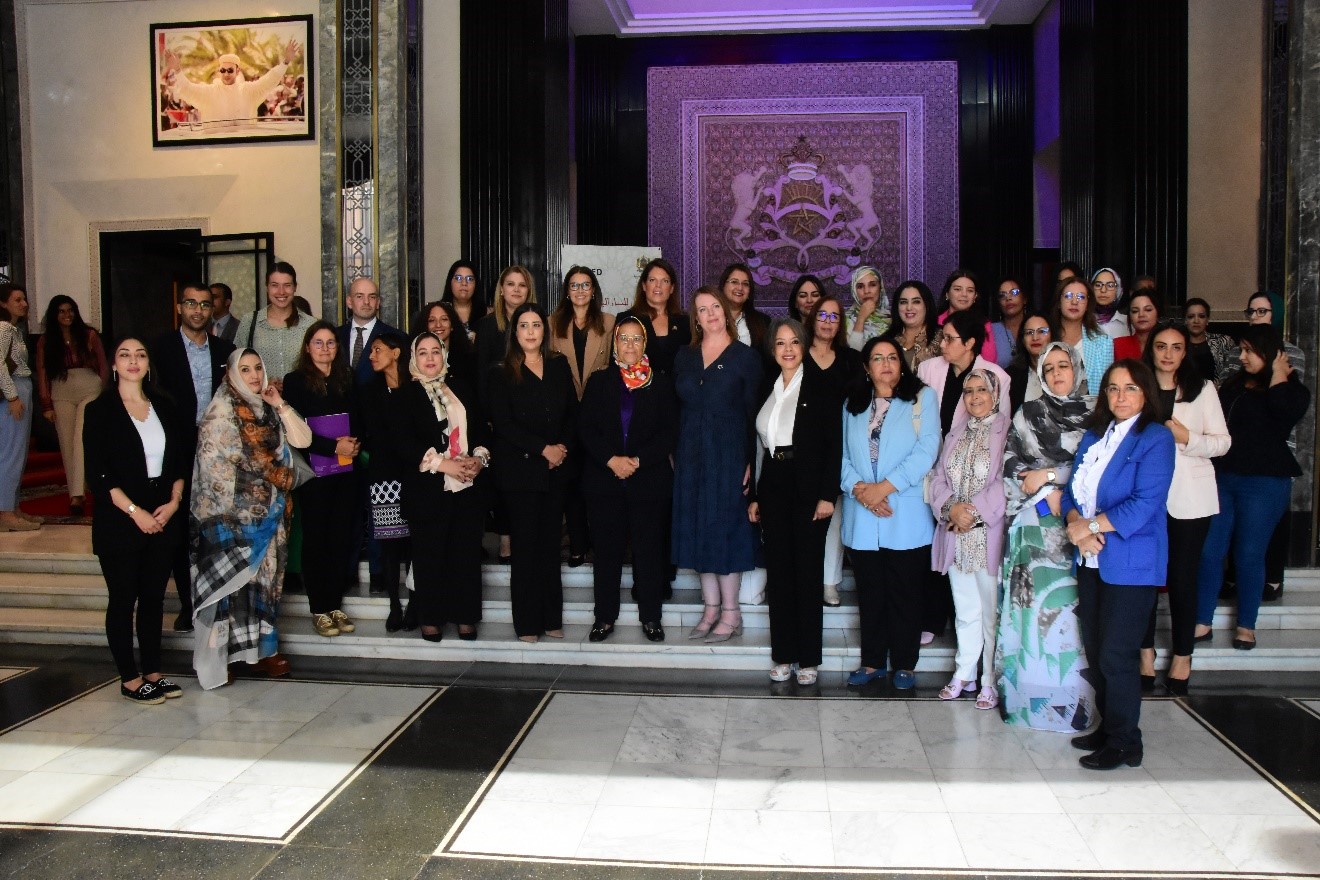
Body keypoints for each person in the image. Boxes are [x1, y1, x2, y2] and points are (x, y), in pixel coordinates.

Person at [1063, 359, 1175, 770]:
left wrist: (1092, 525)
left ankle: (1127, 742)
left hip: (1132, 562)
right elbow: (1074, 491)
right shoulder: (1096, 436)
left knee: (1117, 655)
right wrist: (1078, 525)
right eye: (1113, 388)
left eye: (1129, 388)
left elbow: (1146, 503)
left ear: (1146, 393)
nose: (1120, 397)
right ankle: (1110, 728)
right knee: (1096, 649)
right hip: (1092, 560)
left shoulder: (1155, 438)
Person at [192, 349, 311, 688]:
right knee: (230, 589)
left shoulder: (268, 410)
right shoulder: (220, 412)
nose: (254, 376)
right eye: (245, 370)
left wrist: (279, 404)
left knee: (266, 585)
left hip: (270, 517)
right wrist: (263, 485)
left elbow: (304, 439)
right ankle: (224, 657)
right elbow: (222, 464)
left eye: (258, 367)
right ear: (231, 374)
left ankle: (261, 653)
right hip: (230, 519)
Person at [998, 341, 1097, 731]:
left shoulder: (1096, 414)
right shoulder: (1026, 414)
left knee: (1068, 620)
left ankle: (1076, 706)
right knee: (1031, 619)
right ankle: (1028, 705)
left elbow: (1095, 468)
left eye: (1063, 366)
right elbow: (1011, 465)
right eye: (1049, 368)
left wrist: (1055, 480)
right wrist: (1040, 489)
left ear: (1076, 369)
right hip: (1032, 531)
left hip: (1075, 531)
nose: (1057, 373)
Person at [84, 337, 187, 704]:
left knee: (154, 599)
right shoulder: (100, 410)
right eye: (125, 355)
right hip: (120, 517)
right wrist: (135, 512)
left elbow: (179, 463)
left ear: (148, 364)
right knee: (124, 598)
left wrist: (174, 503)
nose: (133, 361)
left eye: (140, 354)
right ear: (113, 364)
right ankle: (129, 677)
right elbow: (98, 476)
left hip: (163, 513)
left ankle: (154, 672)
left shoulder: (165, 405)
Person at [1195, 324, 1308, 651]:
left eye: (1250, 350)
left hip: (1265, 483)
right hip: (1223, 478)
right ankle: (1203, 621)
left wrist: (1277, 373)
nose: (1242, 356)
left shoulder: (1291, 390)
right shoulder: (1231, 385)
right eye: (1241, 349)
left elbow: (1283, 413)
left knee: (1248, 554)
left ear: (1271, 354)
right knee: (1210, 551)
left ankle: (1246, 625)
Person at [841, 337, 940, 689]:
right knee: (870, 593)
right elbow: (839, 456)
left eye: (892, 357)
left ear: (902, 364)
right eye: (877, 358)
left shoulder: (922, 398)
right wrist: (862, 491)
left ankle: (903, 663)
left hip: (904, 510)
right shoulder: (852, 404)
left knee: (905, 592)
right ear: (866, 367)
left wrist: (884, 487)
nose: (886, 364)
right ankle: (871, 662)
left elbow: (927, 449)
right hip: (863, 512)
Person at [749, 317, 841, 685]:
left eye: (794, 343)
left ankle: (809, 659)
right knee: (781, 575)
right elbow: (760, 449)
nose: (787, 349)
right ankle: (783, 655)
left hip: (808, 489)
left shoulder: (820, 386)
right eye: (781, 343)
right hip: (773, 484)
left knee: (806, 574)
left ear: (804, 346)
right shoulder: (766, 388)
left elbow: (833, 445)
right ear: (773, 349)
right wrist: (756, 496)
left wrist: (826, 495)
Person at [1140, 322, 1229, 695]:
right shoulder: (1138, 386)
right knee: (1143, 576)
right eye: (1161, 346)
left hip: (1190, 498)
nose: (1168, 354)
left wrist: (1186, 436)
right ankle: (1145, 652)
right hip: (1144, 497)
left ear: (1184, 352)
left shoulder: (1202, 389)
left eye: (1176, 347)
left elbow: (1222, 443)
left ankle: (1182, 655)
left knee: (1182, 576)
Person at [579, 316, 678, 643]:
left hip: (648, 481)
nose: (631, 345)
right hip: (605, 482)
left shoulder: (661, 383)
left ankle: (651, 616)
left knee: (649, 553)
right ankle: (604, 617)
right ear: (615, 342)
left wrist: (636, 460)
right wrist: (611, 460)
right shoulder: (598, 382)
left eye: (638, 339)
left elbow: (669, 433)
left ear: (645, 343)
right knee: (606, 553)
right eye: (625, 339)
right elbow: (586, 429)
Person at [672, 286, 762, 642]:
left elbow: (756, 414)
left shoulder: (745, 357)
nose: (710, 314)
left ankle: (731, 612)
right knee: (698, 529)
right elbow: (674, 407)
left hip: (729, 455)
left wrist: (752, 464)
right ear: (695, 317)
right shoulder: (685, 356)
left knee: (726, 530)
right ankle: (709, 609)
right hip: (691, 454)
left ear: (725, 312)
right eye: (702, 309)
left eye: (715, 307)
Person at [488, 303, 576, 642]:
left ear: (545, 330)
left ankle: (552, 617)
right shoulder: (500, 371)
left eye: (536, 325)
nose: (529, 331)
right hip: (520, 471)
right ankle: (527, 623)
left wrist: (561, 449)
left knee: (550, 547)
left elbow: (571, 412)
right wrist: (543, 449)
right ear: (514, 332)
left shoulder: (558, 364)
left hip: (555, 470)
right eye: (523, 325)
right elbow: (504, 424)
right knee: (525, 549)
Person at [396, 332, 492, 641]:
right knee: (430, 555)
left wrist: (478, 459)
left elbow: (480, 430)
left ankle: (465, 616)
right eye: (422, 353)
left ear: (444, 355)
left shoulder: (461, 388)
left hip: (467, 485)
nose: (429, 358)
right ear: (414, 359)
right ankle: (431, 617)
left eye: (435, 351)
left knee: (464, 554)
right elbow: (403, 444)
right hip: (428, 488)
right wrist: (444, 464)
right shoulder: (404, 395)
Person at [151, 283, 235, 633]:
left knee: (214, 526)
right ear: (179, 307)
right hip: (176, 450)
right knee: (180, 530)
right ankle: (188, 604)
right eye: (191, 304)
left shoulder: (225, 350)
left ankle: (216, 598)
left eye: (204, 304)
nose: (198, 310)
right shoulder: (159, 348)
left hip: (216, 452)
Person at [930, 368, 1009, 709]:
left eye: (982, 390)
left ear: (996, 393)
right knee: (965, 610)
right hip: (956, 535)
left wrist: (971, 511)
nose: (975, 397)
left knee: (992, 614)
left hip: (986, 535)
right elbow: (936, 477)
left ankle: (989, 679)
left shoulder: (1008, 430)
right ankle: (965, 672)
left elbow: (1007, 481)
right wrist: (950, 508)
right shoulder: (956, 430)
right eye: (969, 391)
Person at [282, 320, 362, 638]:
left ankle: (335, 604)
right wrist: (333, 446)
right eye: (318, 343)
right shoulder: (295, 382)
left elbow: (358, 418)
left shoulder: (347, 377)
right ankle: (319, 608)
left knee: (341, 539)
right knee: (317, 540)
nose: (325, 348)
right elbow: (296, 431)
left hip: (346, 472)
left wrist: (355, 442)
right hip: (315, 475)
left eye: (330, 343)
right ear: (307, 347)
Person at [549, 267, 616, 567]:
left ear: (593, 290)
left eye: (585, 285)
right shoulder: (551, 324)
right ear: (567, 290)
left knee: (597, 481)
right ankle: (577, 543)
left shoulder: (610, 323)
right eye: (574, 285)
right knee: (571, 482)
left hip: (599, 411)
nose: (579, 290)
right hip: (564, 412)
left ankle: (603, 542)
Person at [475, 266, 536, 564]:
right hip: (497, 418)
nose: (515, 290)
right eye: (509, 284)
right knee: (501, 481)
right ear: (501, 290)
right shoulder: (488, 327)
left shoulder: (538, 323)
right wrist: (489, 416)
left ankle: (525, 535)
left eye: (521, 285)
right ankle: (506, 539)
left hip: (530, 418)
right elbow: (481, 376)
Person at [805, 295, 861, 607]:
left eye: (834, 317)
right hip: (803, 451)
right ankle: (807, 579)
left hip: (842, 449)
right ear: (812, 319)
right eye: (822, 315)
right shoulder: (797, 356)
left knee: (835, 520)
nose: (827, 321)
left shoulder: (850, 361)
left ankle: (829, 582)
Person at [362, 332, 415, 632]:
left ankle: (416, 604)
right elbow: (377, 433)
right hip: (384, 478)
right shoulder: (370, 391)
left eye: (378, 349)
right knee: (391, 546)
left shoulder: (416, 385)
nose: (372, 355)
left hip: (416, 473)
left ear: (396, 353)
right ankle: (395, 605)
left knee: (414, 545)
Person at [36, 295, 108, 515]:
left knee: (80, 439)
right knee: (67, 443)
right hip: (61, 390)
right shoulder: (46, 341)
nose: (67, 315)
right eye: (61, 311)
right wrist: (46, 403)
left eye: (70, 311)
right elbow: (42, 372)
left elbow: (104, 366)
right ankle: (75, 494)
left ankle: (79, 494)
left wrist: (103, 391)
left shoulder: (89, 335)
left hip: (89, 386)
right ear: (54, 315)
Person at [162, 41, 301, 127]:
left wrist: (286, 62)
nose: (226, 74)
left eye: (230, 70)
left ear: (237, 70)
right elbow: (188, 89)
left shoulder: (248, 90)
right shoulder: (210, 92)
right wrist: (178, 70)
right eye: (223, 70)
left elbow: (269, 81)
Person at [234, 262, 313, 387]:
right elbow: (235, 366)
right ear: (267, 287)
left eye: (287, 285)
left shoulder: (311, 325)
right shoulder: (250, 322)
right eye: (274, 285)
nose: (281, 292)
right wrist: (263, 384)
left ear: (295, 287)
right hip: (259, 403)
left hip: (300, 402)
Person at [0, 285, 40, 532]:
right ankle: (5, 512)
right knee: (11, 454)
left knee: (18, 452)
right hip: (14, 390)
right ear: (3, 304)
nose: (23, 303)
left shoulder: (15, 329)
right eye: (17, 299)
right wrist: (13, 396)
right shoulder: (4, 328)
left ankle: (11, 507)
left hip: (20, 387)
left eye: (24, 298)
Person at [617, 258, 689, 376]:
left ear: (671, 288)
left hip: (676, 392)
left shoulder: (685, 322)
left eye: (665, 281)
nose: (658, 286)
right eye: (652, 280)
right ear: (644, 286)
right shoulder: (626, 319)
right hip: (638, 392)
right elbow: (616, 363)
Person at [1050, 275, 1114, 395]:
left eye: (1081, 297)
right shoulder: (1046, 338)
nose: (1074, 302)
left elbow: (1106, 389)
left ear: (1087, 305)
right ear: (1059, 302)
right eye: (1068, 296)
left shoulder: (1103, 343)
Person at [339, 276, 401, 386]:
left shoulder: (397, 337)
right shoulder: (334, 336)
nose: (366, 302)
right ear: (349, 302)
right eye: (359, 296)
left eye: (372, 297)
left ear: (378, 302)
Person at [936, 269, 998, 365]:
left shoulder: (984, 324)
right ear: (947, 294)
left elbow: (989, 362)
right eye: (957, 289)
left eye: (970, 290)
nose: (964, 294)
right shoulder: (934, 322)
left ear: (975, 296)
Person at [881, 279, 940, 370]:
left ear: (927, 305)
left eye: (916, 302)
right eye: (903, 302)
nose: (909, 307)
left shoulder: (942, 339)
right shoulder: (886, 340)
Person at [416, 300, 477, 385]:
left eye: (444, 319)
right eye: (432, 320)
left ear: (452, 325)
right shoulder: (414, 360)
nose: (438, 325)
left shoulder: (468, 360)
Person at [720, 263, 771, 360]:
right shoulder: (712, 318)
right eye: (734, 282)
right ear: (723, 286)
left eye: (745, 284)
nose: (740, 288)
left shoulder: (763, 322)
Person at [1007, 315, 1055, 414]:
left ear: (1052, 336)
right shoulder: (1010, 376)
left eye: (1042, 331)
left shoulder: (1066, 371)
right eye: (1029, 332)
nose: (1035, 337)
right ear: (1023, 340)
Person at [1183, 298, 1235, 383]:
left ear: (1207, 320)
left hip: (1217, 393)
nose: (1196, 321)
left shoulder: (1223, 341)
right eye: (1191, 316)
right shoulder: (1178, 344)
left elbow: (1234, 371)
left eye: (1201, 316)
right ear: (1185, 320)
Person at [844, 265, 889, 350]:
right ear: (854, 290)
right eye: (860, 286)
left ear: (880, 288)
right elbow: (854, 351)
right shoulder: (844, 320)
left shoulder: (892, 318)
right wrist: (861, 317)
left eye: (872, 285)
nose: (867, 291)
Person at [441, 259, 487, 342]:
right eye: (458, 278)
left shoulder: (487, 314)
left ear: (476, 284)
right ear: (450, 282)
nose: (464, 283)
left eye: (469, 279)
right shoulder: (439, 312)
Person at [990, 277, 1030, 369]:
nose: (1008, 298)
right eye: (1002, 295)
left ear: (1024, 299)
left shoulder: (1036, 327)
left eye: (1014, 292)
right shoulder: (990, 331)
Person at [1112, 289, 1160, 360]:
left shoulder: (1167, 344)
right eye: (1135, 311)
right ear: (1129, 316)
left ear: (1158, 313)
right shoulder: (1117, 345)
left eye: (1148, 310)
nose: (1141, 315)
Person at [1091, 267, 1128, 339]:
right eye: (1098, 285)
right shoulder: (1082, 321)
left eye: (1110, 285)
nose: (1103, 290)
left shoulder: (1128, 323)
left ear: (1118, 290)